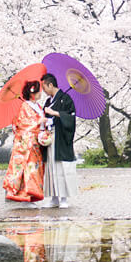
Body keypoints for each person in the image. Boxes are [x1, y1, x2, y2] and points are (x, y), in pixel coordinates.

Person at [38, 73, 78, 208]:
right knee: (51, 167)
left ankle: (64, 198)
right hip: (50, 138)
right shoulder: (49, 101)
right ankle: (54, 198)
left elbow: (71, 118)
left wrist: (56, 113)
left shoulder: (66, 99)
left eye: (44, 87)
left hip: (61, 138)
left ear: (50, 85)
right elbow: (46, 116)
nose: (43, 91)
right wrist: (46, 121)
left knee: (61, 167)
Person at [2, 80, 46, 203]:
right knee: (25, 168)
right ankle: (20, 194)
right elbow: (22, 123)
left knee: (33, 169)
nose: (40, 93)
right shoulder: (25, 106)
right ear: (32, 92)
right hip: (27, 142)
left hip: (36, 142)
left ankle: (31, 195)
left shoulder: (37, 106)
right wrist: (39, 122)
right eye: (38, 91)